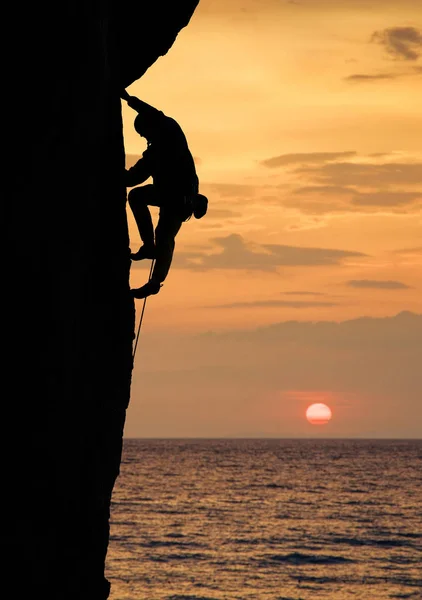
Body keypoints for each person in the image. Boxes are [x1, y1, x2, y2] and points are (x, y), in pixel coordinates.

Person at [123, 93, 208, 299]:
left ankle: (154, 274)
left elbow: (154, 114)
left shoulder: (170, 134)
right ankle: (150, 251)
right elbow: (133, 177)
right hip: (175, 197)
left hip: (180, 197)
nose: (145, 139)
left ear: (150, 127)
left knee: (163, 233)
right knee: (161, 231)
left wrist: (130, 100)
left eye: (144, 133)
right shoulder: (162, 143)